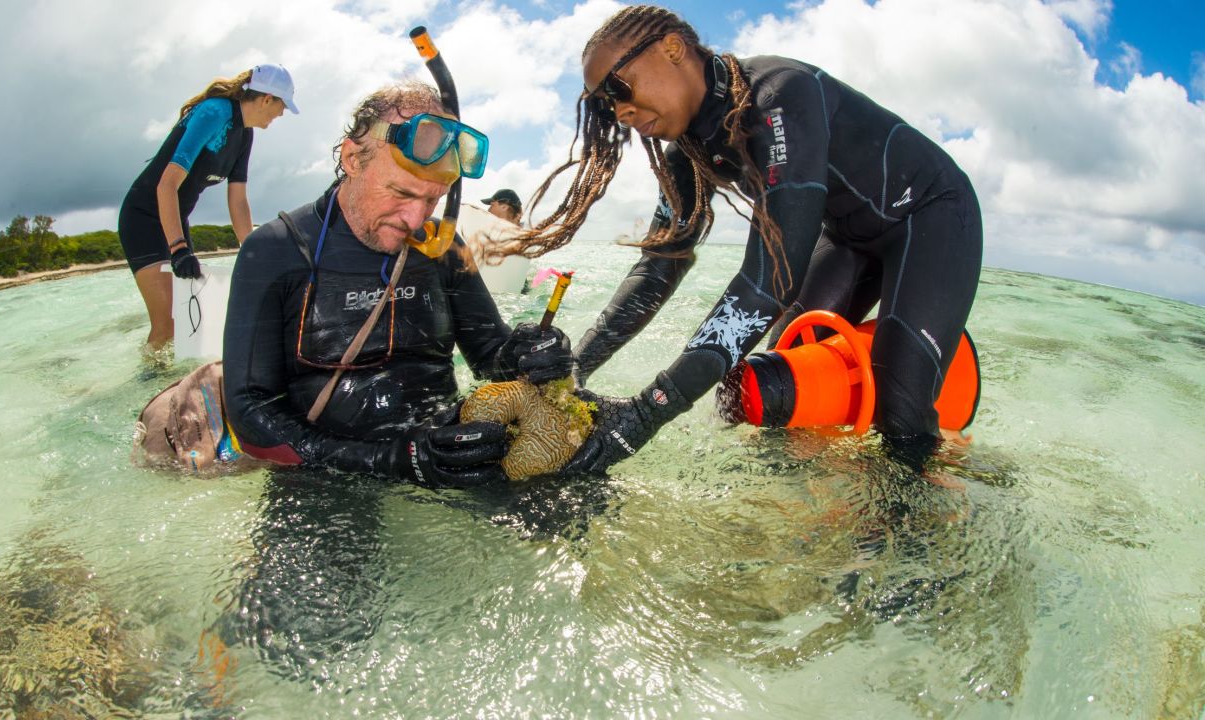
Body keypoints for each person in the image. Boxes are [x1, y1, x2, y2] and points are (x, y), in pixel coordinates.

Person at [505, 5, 983, 473]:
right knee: (776, 387)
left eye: (618, 87)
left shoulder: (780, 96)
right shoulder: (688, 156)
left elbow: (770, 280)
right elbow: (657, 269)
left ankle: (933, 516)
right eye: (605, 104)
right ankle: (813, 502)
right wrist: (576, 370)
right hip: (847, 238)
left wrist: (648, 411)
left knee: (900, 411)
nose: (621, 110)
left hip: (930, 214)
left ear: (672, 49)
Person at [221, 82, 574, 487]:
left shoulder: (440, 245)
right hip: (324, 472)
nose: (414, 218)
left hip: (440, 452)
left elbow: (491, 355)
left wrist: (531, 354)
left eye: (432, 200)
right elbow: (249, 410)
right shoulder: (273, 250)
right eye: (400, 192)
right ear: (352, 158)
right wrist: (384, 460)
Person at [119, 64, 298, 352]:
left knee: (193, 326)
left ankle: (175, 383)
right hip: (145, 218)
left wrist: (253, 252)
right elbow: (166, 185)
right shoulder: (215, 112)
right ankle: (146, 386)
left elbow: (237, 199)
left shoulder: (245, 134)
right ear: (267, 98)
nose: (281, 114)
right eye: (282, 106)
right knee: (168, 325)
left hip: (176, 221)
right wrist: (179, 249)